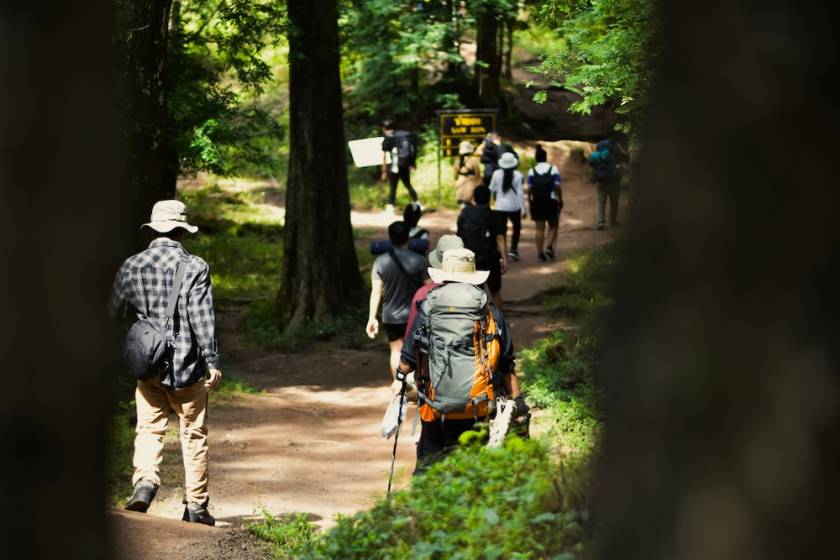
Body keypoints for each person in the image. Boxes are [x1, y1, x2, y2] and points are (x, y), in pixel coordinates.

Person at [109, 200, 222, 526]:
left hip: (147, 364)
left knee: (148, 428)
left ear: (154, 228)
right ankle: (197, 506)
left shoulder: (131, 264)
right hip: (187, 367)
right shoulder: (195, 266)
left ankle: (145, 483)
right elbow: (203, 319)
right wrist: (212, 359)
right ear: (180, 230)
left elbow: (112, 313)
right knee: (193, 434)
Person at [397, 248, 524, 471]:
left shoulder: (427, 309)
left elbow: (407, 362)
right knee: (473, 466)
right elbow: (507, 366)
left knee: (429, 468)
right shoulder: (490, 312)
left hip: (434, 408)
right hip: (479, 406)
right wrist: (520, 406)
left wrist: (400, 376)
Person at [366, 221, 430, 382]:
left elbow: (376, 291)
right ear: (408, 238)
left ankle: (399, 386)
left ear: (390, 238)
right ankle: (419, 386)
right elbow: (429, 287)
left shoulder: (380, 262)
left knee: (396, 351)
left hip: (391, 316)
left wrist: (372, 318)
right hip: (415, 315)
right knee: (418, 351)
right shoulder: (419, 260)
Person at [457, 185, 507, 309]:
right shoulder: (494, 215)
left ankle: (477, 325)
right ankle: (498, 323)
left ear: (474, 198)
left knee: (475, 294)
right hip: (491, 258)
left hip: (471, 259)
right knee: (495, 292)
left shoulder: (465, 213)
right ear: (489, 198)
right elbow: (500, 238)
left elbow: (460, 236)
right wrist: (504, 259)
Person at [526, 144, 563, 261]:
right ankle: (549, 246)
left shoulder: (531, 171)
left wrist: (529, 200)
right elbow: (557, 186)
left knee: (539, 229)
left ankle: (540, 254)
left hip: (537, 202)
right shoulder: (553, 169)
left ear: (536, 158)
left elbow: (529, 188)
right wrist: (560, 199)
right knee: (553, 225)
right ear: (546, 157)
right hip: (551, 201)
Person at [488, 151, 526, 261]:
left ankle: (501, 252)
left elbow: (491, 189)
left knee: (501, 230)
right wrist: (523, 209)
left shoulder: (496, 174)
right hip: (515, 207)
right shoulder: (518, 176)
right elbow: (520, 193)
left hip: (500, 207)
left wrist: (490, 203)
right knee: (517, 228)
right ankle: (513, 250)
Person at [381, 120, 420, 214]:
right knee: (408, 185)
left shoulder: (389, 137)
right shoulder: (403, 136)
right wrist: (412, 163)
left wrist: (384, 171)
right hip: (404, 165)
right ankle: (417, 203)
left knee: (393, 187)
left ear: (384, 128)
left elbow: (385, 155)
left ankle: (390, 207)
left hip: (394, 167)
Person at [589, 138, 627, 230]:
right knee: (614, 202)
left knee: (601, 202)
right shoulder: (615, 151)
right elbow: (625, 157)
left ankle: (600, 222)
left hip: (600, 181)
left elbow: (592, 165)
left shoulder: (599, 154)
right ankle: (613, 221)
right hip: (613, 181)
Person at [453, 140, 482, 207]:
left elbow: (455, 177)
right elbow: (478, 175)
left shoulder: (457, 162)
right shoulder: (473, 161)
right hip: (471, 190)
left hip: (460, 190)